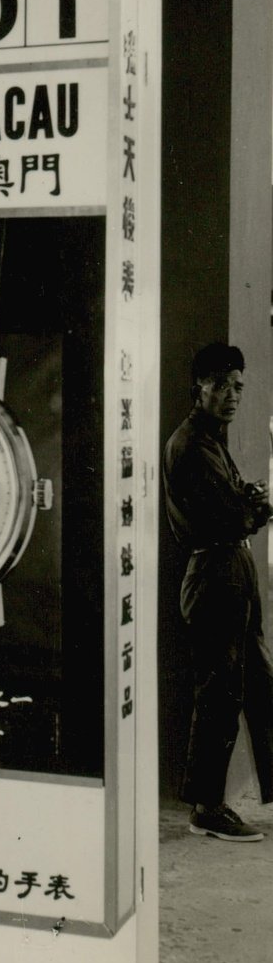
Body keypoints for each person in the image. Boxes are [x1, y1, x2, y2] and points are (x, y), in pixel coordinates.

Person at [163, 343, 273, 841]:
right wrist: (254, 508)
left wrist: (246, 503)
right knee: (221, 691)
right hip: (214, 572)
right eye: (223, 384)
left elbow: (234, 508)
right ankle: (207, 807)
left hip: (231, 567)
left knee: (258, 682)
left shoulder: (209, 439)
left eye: (239, 387)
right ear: (199, 385)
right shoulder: (190, 443)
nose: (232, 395)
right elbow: (230, 517)